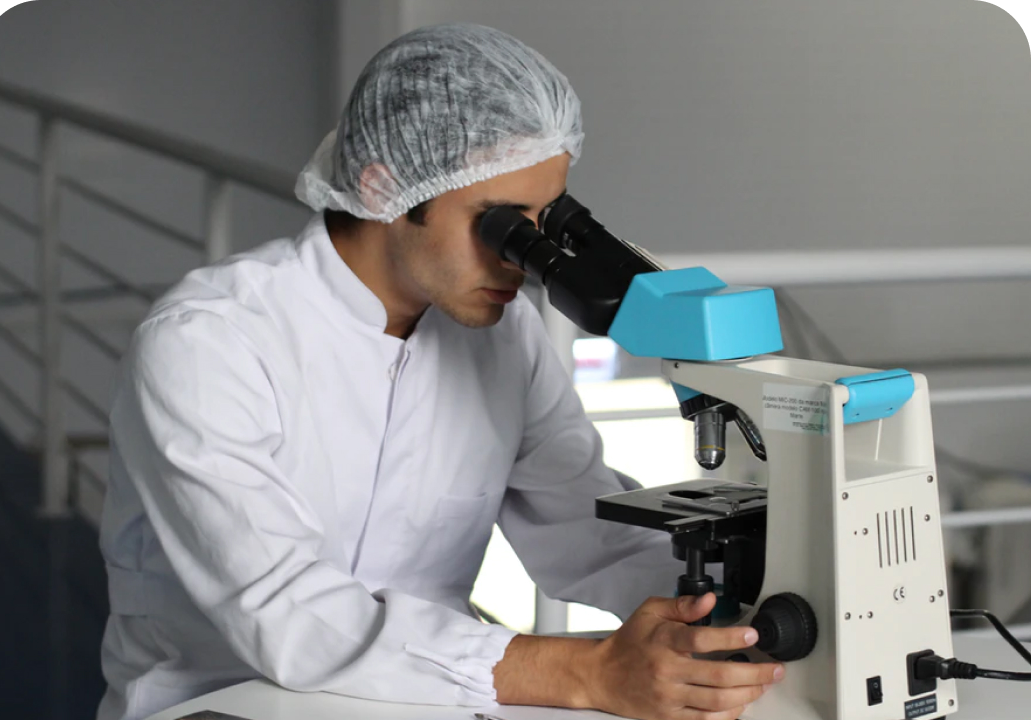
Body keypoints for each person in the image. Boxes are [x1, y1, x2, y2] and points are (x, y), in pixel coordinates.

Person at [96, 23, 782, 720]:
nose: (523, 258)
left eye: (545, 224)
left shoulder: (504, 339)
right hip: (222, 705)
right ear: (386, 187)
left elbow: (588, 534)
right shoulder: (210, 343)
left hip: (427, 701)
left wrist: (740, 601)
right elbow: (286, 613)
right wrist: (588, 672)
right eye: (501, 225)